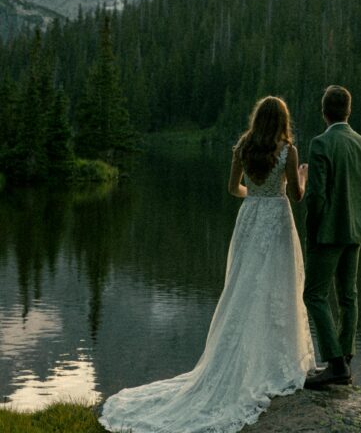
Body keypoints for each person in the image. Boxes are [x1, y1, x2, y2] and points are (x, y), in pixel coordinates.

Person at [100, 96, 315, 433]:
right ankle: (275, 361)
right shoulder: (288, 151)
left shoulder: (243, 147)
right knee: (278, 287)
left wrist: (254, 197)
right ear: (283, 121)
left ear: (257, 119)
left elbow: (233, 189)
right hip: (277, 221)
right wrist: (301, 176)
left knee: (243, 289)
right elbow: (298, 196)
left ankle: (241, 360)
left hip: (250, 220)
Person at [303, 84, 361, 388]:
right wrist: (360, 215)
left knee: (313, 294)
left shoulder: (320, 144)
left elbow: (315, 197)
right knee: (348, 295)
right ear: (348, 111)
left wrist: (313, 230)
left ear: (324, 112)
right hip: (355, 233)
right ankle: (345, 359)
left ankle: (335, 363)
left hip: (326, 234)